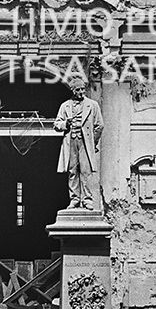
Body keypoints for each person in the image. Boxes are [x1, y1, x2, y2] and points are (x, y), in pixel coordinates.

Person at [54, 77, 104, 210]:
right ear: (73, 91)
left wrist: (92, 143)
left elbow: (99, 125)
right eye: (78, 90)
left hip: (85, 143)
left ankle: (87, 199)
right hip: (71, 142)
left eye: (83, 89)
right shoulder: (65, 106)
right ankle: (74, 199)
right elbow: (56, 124)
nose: (81, 92)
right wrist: (65, 124)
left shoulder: (93, 105)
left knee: (85, 171)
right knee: (72, 171)